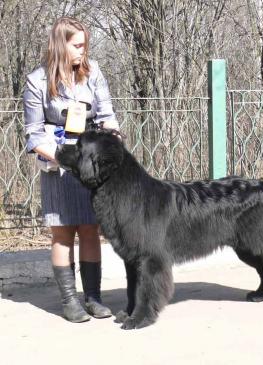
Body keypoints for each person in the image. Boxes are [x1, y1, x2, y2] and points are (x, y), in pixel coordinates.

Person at [23, 17, 119, 322]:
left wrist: (113, 140)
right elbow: (34, 133)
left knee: (90, 230)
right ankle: (69, 300)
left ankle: (93, 298)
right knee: (62, 233)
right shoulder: (36, 80)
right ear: (60, 44)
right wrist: (63, 158)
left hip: (92, 165)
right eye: (77, 45)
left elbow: (107, 116)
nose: (83, 51)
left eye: (85, 45)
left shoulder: (93, 73)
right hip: (59, 163)